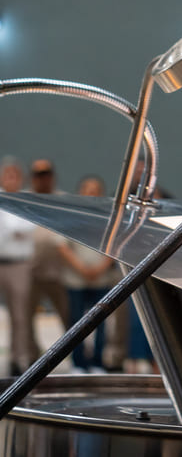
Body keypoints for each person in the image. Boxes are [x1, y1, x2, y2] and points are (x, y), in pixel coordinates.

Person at [58, 176, 115, 372]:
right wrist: (81, 268)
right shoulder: (70, 214)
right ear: (80, 191)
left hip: (101, 278)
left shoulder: (109, 216)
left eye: (95, 189)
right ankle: (78, 363)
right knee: (76, 322)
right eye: (87, 189)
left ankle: (98, 361)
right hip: (76, 279)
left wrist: (101, 268)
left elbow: (116, 246)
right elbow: (63, 246)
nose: (91, 193)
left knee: (101, 323)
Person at [27, 158, 70, 361]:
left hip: (59, 271)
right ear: (32, 178)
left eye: (46, 174)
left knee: (69, 317)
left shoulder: (63, 200)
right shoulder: (24, 200)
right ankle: (32, 359)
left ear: (52, 177)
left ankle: (75, 358)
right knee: (26, 319)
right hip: (30, 271)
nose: (42, 179)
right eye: (38, 175)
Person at [0, 158, 35, 374]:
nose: (11, 179)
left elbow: (25, 227)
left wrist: (9, 230)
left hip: (19, 265)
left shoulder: (26, 200)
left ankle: (17, 358)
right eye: (7, 175)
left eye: (15, 175)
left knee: (20, 315)